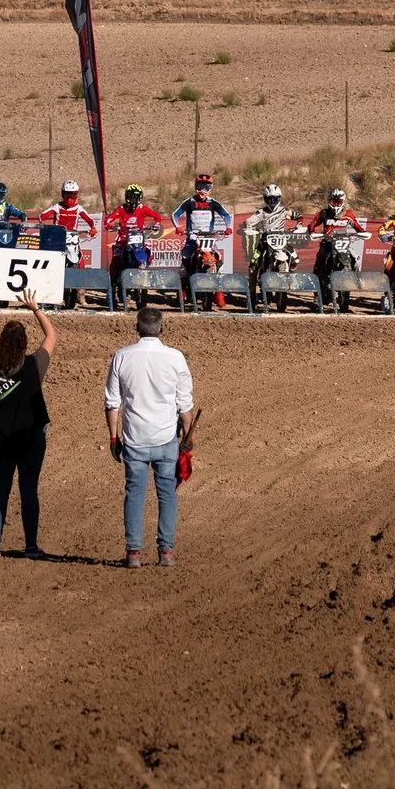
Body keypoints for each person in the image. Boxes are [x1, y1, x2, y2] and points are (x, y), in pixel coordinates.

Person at [104, 307, 195, 568]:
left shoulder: (122, 356)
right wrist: (187, 439)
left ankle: (134, 552)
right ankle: (166, 550)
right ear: (161, 329)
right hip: (166, 438)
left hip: (135, 439)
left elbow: (112, 403)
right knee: (167, 494)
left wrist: (113, 437)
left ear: (137, 329)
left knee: (134, 493)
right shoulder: (176, 358)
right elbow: (185, 406)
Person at [0, 292, 55, 558]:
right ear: (24, 345)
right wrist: (36, 308)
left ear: (2, 343)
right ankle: (31, 546)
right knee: (29, 490)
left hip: (1, 437)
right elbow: (51, 336)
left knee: (0, 489)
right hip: (31, 437)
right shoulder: (35, 365)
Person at [173, 173, 236, 306]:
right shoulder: (190, 202)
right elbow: (175, 214)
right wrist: (178, 227)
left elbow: (226, 215)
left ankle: (219, 294)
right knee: (184, 263)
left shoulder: (213, 203)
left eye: (206, 188)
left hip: (209, 238)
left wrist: (228, 227)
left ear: (211, 188)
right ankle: (182, 293)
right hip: (192, 238)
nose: (203, 191)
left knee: (219, 263)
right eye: (201, 187)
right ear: (196, 187)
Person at [104, 185, 167, 287]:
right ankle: (112, 286)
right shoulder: (121, 209)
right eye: (131, 198)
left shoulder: (143, 209)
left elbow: (157, 217)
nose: (133, 201)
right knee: (116, 260)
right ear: (126, 197)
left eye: (135, 198)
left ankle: (144, 270)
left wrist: (157, 224)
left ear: (140, 198)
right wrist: (108, 225)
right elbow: (108, 219)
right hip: (123, 238)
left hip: (139, 237)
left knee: (149, 252)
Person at [309, 186, 367, 281]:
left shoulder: (348, 215)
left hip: (343, 244)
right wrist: (312, 232)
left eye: (338, 202)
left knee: (356, 259)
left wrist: (362, 232)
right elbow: (312, 224)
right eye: (333, 202)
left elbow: (357, 226)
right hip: (327, 242)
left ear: (343, 202)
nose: (336, 205)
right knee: (320, 260)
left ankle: (358, 279)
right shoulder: (324, 213)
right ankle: (317, 285)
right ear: (329, 201)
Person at [35, 180, 98, 266]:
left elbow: (90, 220)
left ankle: (81, 275)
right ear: (62, 194)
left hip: (73, 238)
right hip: (58, 237)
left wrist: (93, 227)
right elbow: (42, 216)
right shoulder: (57, 207)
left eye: (72, 195)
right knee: (50, 257)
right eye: (67, 194)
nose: (69, 198)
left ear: (76, 195)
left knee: (81, 260)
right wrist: (42, 224)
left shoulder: (79, 208)